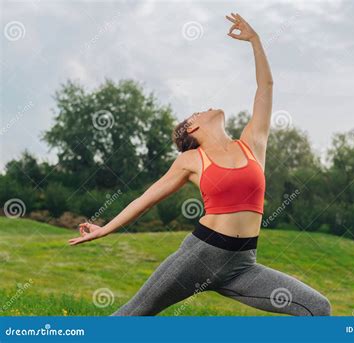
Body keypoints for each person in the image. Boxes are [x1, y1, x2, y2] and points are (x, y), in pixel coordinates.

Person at [69, 12, 331, 316]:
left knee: (317, 308)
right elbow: (146, 199)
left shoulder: (252, 145)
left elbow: (266, 87)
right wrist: (105, 229)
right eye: (197, 112)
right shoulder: (192, 159)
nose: (206, 108)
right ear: (191, 130)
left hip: (243, 264)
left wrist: (255, 41)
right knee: (132, 315)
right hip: (200, 256)